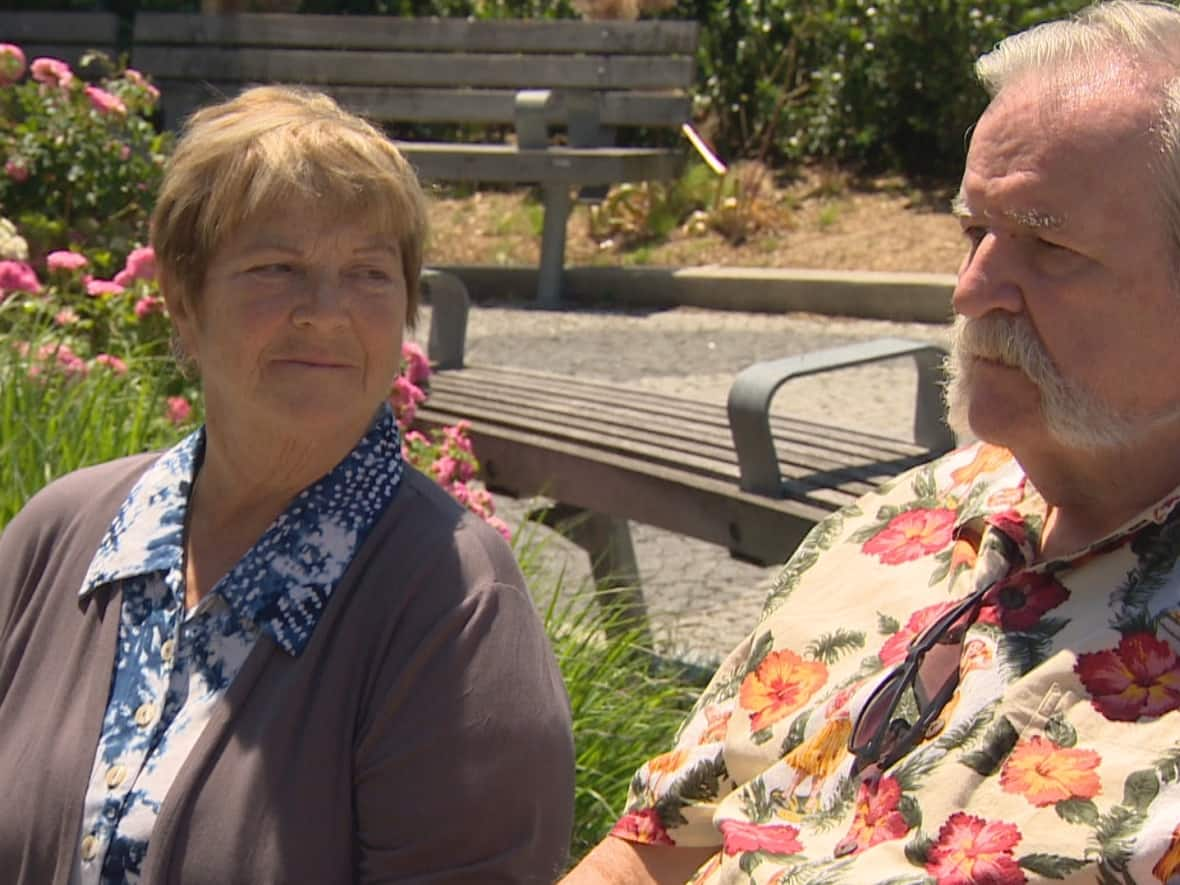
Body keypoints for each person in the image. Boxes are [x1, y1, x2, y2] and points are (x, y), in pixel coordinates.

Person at [562, 1, 1180, 882]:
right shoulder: (903, 522)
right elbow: (655, 844)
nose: (972, 292)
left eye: (1047, 247)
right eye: (974, 233)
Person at [0, 86, 574, 883]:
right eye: (278, 267)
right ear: (183, 301)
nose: (326, 310)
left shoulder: (453, 604)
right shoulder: (57, 536)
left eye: (370, 273)